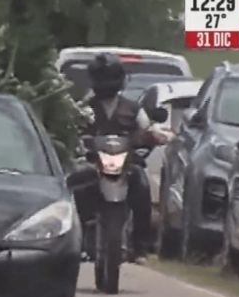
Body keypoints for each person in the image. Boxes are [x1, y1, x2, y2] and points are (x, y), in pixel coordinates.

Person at [68, 53, 170, 263]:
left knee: (142, 186)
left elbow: (148, 128)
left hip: (125, 164)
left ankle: (140, 246)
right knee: (73, 187)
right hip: (92, 163)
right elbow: (70, 131)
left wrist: (155, 135)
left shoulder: (133, 109)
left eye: (111, 76)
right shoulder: (83, 108)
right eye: (103, 77)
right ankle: (74, 242)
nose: (107, 82)